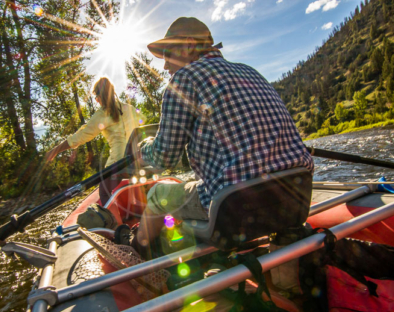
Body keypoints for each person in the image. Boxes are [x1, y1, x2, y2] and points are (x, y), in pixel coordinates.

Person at [127, 17, 314, 255]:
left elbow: (165, 158)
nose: (165, 66)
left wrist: (141, 152)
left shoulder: (184, 79)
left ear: (187, 45)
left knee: (156, 195)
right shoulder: (249, 71)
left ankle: (135, 253)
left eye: (167, 54)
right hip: (296, 193)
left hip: (236, 205)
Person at [46, 77, 144, 205]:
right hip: (137, 160)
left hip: (118, 163)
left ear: (100, 96)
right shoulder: (128, 108)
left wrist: (55, 150)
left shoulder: (103, 114)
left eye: (96, 98)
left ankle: (114, 223)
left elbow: (81, 136)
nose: (97, 101)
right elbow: (143, 119)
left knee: (103, 192)